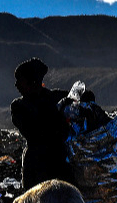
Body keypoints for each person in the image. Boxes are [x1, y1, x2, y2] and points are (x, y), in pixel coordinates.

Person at [10, 57, 73, 189]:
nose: (16, 85)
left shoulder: (58, 98)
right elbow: (33, 132)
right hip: (36, 168)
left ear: (31, 82)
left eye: (20, 81)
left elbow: (84, 97)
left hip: (58, 165)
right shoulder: (19, 107)